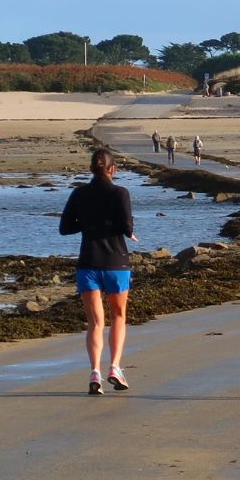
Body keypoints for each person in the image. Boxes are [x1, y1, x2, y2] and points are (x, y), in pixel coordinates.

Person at [59, 149, 137, 395]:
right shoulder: (120, 192)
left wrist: (90, 223)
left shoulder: (79, 193)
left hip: (88, 263)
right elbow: (126, 225)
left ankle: (95, 371)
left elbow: (65, 227)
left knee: (95, 323)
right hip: (116, 264)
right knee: (118, 317)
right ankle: (114, 367)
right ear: (113, 169)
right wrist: (120, 228)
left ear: (92, 169)